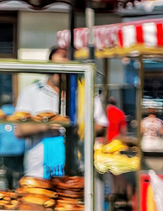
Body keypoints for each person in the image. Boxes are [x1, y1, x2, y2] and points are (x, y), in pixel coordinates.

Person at [15, 47, 105, 178]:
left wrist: (77, 127)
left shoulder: (85, 92)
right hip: (38, 172)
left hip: (76, 168)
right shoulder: (32, 92)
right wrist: (47, 125)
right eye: (57, 69)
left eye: (66, 68)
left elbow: (100, 126)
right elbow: (19, 130)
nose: (61, 74)